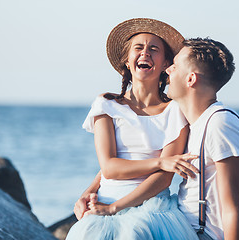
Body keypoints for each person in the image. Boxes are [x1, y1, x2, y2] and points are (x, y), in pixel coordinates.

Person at [66, 18, 199, 239]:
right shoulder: (106, 105)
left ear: (166, 63)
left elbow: (164, 179)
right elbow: (109, 167)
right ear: (127, 61)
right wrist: (89, 192)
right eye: (138, 47)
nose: (145, 53)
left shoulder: (175, 110)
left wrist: (115, 208)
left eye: (153, 49)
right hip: (106, 201)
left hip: (153, 208)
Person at [165, 38, 239, 240]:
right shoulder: (195, 123)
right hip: (182, 229)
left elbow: (233, 209)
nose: (168, 70)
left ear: (190, 79)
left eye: (175, 65)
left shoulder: (221, 123)